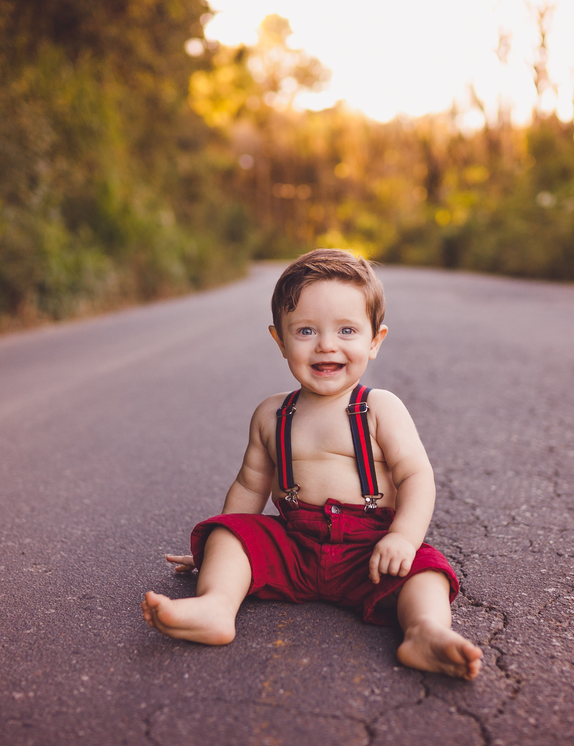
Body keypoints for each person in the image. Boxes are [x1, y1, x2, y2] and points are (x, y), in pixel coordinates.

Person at [141, 249, 482, 680]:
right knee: (229, 534)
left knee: (427, 569)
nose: (326, 344)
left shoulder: (380, 408)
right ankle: (215, 607)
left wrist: (403, 537)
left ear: (374, 341)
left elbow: (416, 476)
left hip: (368, 552)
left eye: (347, 330)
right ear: (280, 341)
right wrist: (216, 549)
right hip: (295, 546)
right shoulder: (271, 414)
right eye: (306, 330)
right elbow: (250, 486)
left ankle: (425, 632)